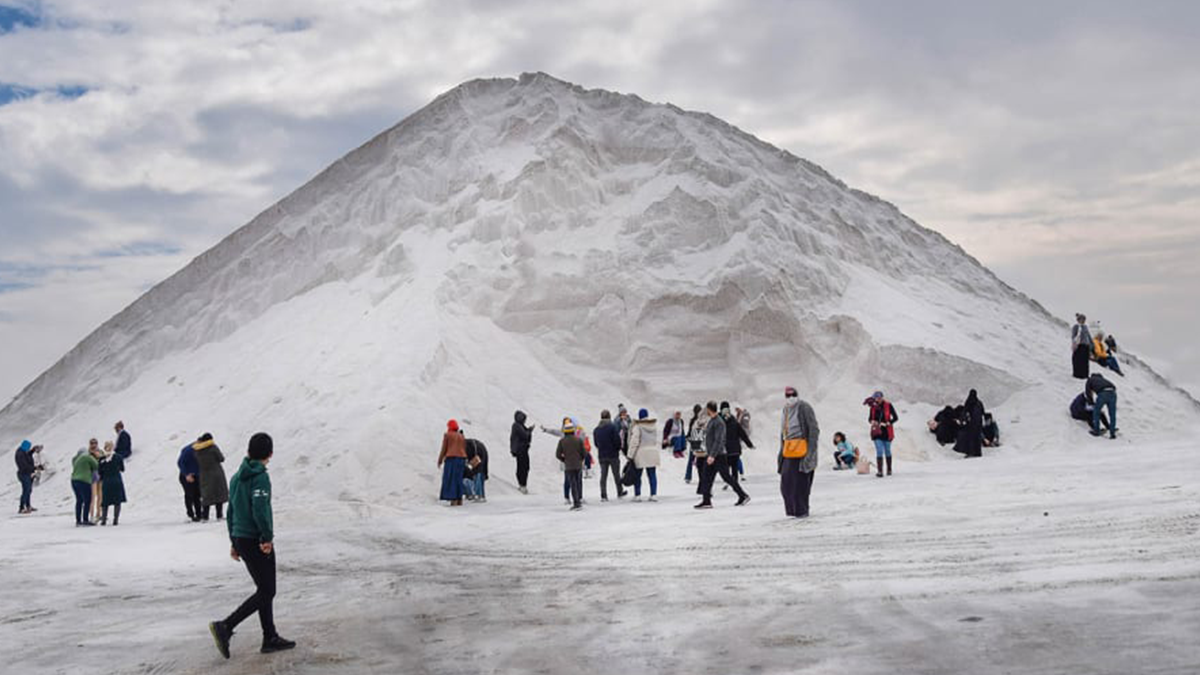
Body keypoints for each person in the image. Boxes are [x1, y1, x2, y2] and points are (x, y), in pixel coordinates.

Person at [209, 432, 295, 658]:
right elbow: (260, 509)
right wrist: (266, 537)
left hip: (241, 537)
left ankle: (270, 637)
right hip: (255, 539)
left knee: (263, 589)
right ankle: (226, 626)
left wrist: (233, 540)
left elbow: (230, 512)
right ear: (270, 454)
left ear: (248, 451)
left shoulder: (237, 476)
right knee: (268, 590)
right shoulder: (260, 477)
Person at [696, 401, 749, 508]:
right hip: (711, 454)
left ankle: (742, 495)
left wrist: (712, 455)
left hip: (719, 455)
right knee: (706, 477)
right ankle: (706, 500)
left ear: (709, 409)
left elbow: (719, 440)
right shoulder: (712, 420)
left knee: (727, 477)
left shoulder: (719, 422)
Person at [779, 386, 820, 518]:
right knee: (786, 482)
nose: (790, 397)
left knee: (801, 484)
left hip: (803, 449)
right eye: (788, 395)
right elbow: (783, 432)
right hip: (789, 449)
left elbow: (814, 430)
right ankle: (792, 511)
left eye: (793, 394)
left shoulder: (804, 407)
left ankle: (802, 511)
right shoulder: (785, 409)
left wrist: (810, 452)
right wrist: (781, 452)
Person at [626, 408, 661, 502]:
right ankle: (653, 494)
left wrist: (630, 455)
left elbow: (634, 442)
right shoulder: (653, 426)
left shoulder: (638, 427)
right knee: (652, 474)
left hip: (641, 453)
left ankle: (637, 495)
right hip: (653, 452)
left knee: (637, 475)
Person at [194, 433, 229, 521]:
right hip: (216, 473)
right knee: (218, 493)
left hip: (204, 474)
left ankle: (205, 516)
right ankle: (219, 515)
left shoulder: (197, 450)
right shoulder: (213, 448)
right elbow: (221, 458)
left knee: (206, 495)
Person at [720, 402, 754, 491]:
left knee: (726, 467)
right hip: (735, 449)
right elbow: (742, 434)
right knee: (734, 468)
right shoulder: (734, 420)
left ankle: (729, 482)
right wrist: (749, 444)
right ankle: (735, 485)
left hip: (726, 449)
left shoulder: (720, 421)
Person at [593, 410, 625, 501]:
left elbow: (596, 443)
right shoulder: (612, 427)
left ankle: (603, 495)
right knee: (616, 474)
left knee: (603, 476)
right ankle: (620, 492)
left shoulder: (596, 429)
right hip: (613, 455)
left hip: (602, 455)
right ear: (609, 417)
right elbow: (617, 441)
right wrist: (617, 449)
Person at [555, 419, 586, 510]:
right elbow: (584, 453)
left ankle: (576, 503)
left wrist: (564, 460)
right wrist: (580, 459)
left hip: (569, 466)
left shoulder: (562, 441)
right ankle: (579, 499)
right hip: (578, 465)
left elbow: (557, 454)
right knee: (578, 482)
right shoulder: (579, 440)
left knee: (572, 484)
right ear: (573, 430)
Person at [865, 391, 898, 477]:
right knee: (879, 450)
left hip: (887, 431)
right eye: (876, 398)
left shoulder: (888, 405)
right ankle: (880, 471)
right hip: (877, 432)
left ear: (882, 397)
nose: (878, 399)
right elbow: (869, 419)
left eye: (879, 398)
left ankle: (889, 469)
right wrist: (872, 421)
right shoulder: (872, 407)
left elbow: (895, 418)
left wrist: (887, 423)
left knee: (887, 450)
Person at [438, 420, 467, 506]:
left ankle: (453, 499)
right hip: (462, 459)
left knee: (451, 479)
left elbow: (444, 448)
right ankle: (459, 499)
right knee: (458, 479)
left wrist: (440, 460)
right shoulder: (461, 436)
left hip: (452, 459)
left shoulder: (447, 435)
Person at [71, 443, 101, 526]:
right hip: (84, 480)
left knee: (79, 500)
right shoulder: (88, 457)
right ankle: (85, 519)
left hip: (74, 480)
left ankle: (78, 520)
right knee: (88, 500)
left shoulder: (76, 459)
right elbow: (96, 465)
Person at [98, 443, 126, 526]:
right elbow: (122, 469)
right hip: (117, 480)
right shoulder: (118, 457)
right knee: (117, 501)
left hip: (106, 481)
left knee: (105, 501)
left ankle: (103, 520)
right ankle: (115, 520)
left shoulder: (102, 459)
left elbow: (100, 472)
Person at [1085, 373, 1119, 439]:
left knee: (1096, 411)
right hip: (1113, 393)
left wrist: (1091, 402)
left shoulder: (1090, 380)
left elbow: (1088, 392)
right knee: (1112, 414)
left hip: (1103, 393)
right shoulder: (1104, 380)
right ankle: (1112, 433)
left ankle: (1096, 431)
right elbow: (1114, 386)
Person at [954, 390, 985, 458]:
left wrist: (962, 420)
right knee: (977, 438)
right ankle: (977, 452)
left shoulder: (968, 402)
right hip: (978, 424)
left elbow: (965, 412)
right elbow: (983, 412)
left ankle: (970, 452)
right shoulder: (979, 403)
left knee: (970, 438)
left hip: (971, 424)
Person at [177, 439, 203, 522]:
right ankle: (190, 514)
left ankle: (199, 514)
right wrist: (186, 474)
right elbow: (180, 462)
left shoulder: (201, 449)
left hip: (196, 475)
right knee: (189, 495)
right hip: (186, 476)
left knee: (197, 495)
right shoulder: (189, 450)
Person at [510, 411, 534, 494]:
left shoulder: (519, 425)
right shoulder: (517, 425)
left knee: (524, 467)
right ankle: (522, 484)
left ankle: (522, 484)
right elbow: (524, 435)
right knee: (523, 467)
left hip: (522, 449)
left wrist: (529, 430)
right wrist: (530, 431)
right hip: (521, 450)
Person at [15, 440, 39, 514]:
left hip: (27, 474)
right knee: (26, 491)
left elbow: (27, 455)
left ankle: (28, 506)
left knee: (28, 490)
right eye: (28, 447)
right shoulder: (20, 454)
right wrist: (35, 468)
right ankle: (22, 507)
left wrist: (33, 450)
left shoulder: (23, 451)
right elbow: (24, 466)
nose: (28, 449)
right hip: (24, 474)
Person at [464, 438, 489, 503]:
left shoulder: (464, 445)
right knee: (478, 472)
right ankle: (479, 494)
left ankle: (479, 495)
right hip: (479, 452)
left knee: (478, 473)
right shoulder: (463, 444)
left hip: (479, 453)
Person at [685, 404, 704, 484]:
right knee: (701, 460)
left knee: (691, 459)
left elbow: (690, 431)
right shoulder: (702, 420)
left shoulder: (693, 420)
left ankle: (688, 477)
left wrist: (688, 437)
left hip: (694, 440)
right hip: (700, 440)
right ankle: (702, 477)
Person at [1071, 313, 1091, 380]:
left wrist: (1091, 343)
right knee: (1077, 360)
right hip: (1079, 345)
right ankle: (1077, 374)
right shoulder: (1076, 326)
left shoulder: (1085, 327)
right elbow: (1073, 336)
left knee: (1085, 361)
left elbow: (1088, 336)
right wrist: (1074, 344)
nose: (1083, 320)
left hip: (1086, 346)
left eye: (1084, 319)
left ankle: (1085, 374)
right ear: (1078, 320)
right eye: (1081, 319)